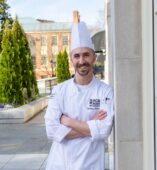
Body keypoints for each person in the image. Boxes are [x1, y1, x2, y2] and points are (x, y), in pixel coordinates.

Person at [44, 11, 114, 170]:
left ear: (94, 57)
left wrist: (67, 122)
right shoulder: (59, 90)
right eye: (77, 56)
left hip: (91, 164)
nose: (82, 61)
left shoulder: (105, 91)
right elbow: (51, 131)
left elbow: (104, 130)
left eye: (86, 55)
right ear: (71, 59)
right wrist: (91, 126)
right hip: (60, 164)